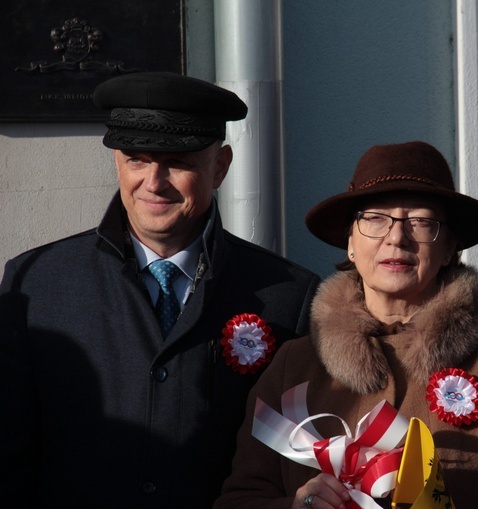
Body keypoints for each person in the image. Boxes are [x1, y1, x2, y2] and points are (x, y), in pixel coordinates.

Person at [0, 72, 320, 508]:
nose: (154, 181)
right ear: (117, 163)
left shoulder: (290, 296)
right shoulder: (37, 285)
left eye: (178, 161)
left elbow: (286, 465)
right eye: (136, 159)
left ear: (220, 167)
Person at [215, 141, 478, 508]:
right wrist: (298, 505)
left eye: (420, 222)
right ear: (350, 243)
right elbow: (239, 501)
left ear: (449, 248)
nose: (397, 238)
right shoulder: (293, 365)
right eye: (374, 219)